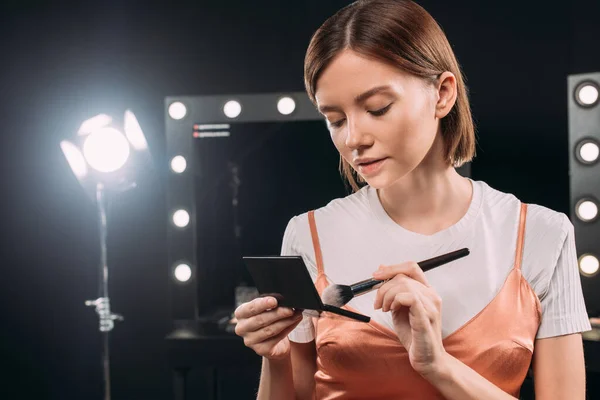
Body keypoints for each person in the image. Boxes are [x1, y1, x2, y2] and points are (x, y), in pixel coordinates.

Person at [234, 0, 592, 398]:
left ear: (442, 94)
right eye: (335, 120)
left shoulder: (541, 234)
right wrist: (276, 358)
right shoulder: (309, 234)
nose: (353, 138)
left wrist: (437, 365)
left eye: (377, 108)